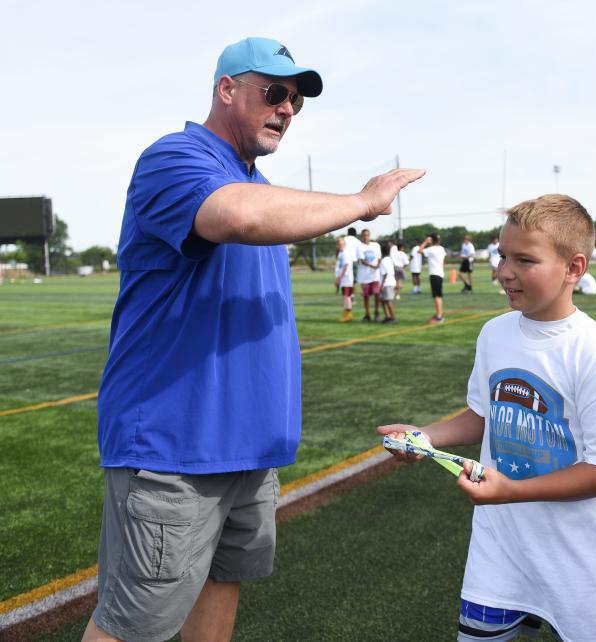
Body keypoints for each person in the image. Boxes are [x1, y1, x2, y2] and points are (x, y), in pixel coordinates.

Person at [84, 37, 424, 642]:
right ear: (226, 90)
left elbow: (255, 209)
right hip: (174, 450)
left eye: (295, 100)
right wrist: (361, 202)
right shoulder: (176, 157)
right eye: (274, 92)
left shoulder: (261, 186)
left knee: (220, 594)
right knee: (131, 628)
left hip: (247, 452)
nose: (287, 108)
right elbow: (235, 216)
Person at [379, 194, 596, 641]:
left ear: (574, 268)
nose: (505, 271)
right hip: (500, 548)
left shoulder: (595, 355)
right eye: (502, 255)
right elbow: (483, 416)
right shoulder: (495, 333)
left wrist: (512, 490)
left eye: (525, 260)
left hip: (577, 558)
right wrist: (425, 436)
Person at [357, 228, 382, 322]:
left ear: (370, 236)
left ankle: (376, 312)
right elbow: (362, 260)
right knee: (366, 296)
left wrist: (378, 264)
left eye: (367, 235)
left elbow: (379, 257)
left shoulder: (376, 245)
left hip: (375, 275)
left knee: (377, 294)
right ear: (361, 236)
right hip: (365, 276)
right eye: (364, 235)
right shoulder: (360, 247)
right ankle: (367, 314)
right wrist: (373, 266)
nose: (366, 237)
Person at [420, 233, 446, 323]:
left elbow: (420, 250)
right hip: (440, 274)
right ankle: (440, 314)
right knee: (439, 295)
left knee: (436, 296)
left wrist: (425, 242)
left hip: (434, 274)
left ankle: (439, 317)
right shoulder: (441, 249)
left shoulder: (431, 249)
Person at [334, 236, 354, 322]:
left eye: (342, 244)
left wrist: (339, 278)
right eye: (339, 244)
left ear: (344, 244)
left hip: (346, 279)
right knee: (345, 296)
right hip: (343, 279)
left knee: (347, 297)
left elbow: (346, 266)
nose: (340, 245)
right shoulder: (341, 253)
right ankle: (346, 314)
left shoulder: (345, 253)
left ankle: (348, 315)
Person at [378, 241, 398, 324]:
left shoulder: (384, 260)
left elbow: (385, 273)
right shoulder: (389, 259)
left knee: (388, 300)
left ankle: (393, 317)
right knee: (383, 300)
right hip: (390, 282)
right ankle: (387, 316)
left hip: (387, 283)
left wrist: (381, 285)